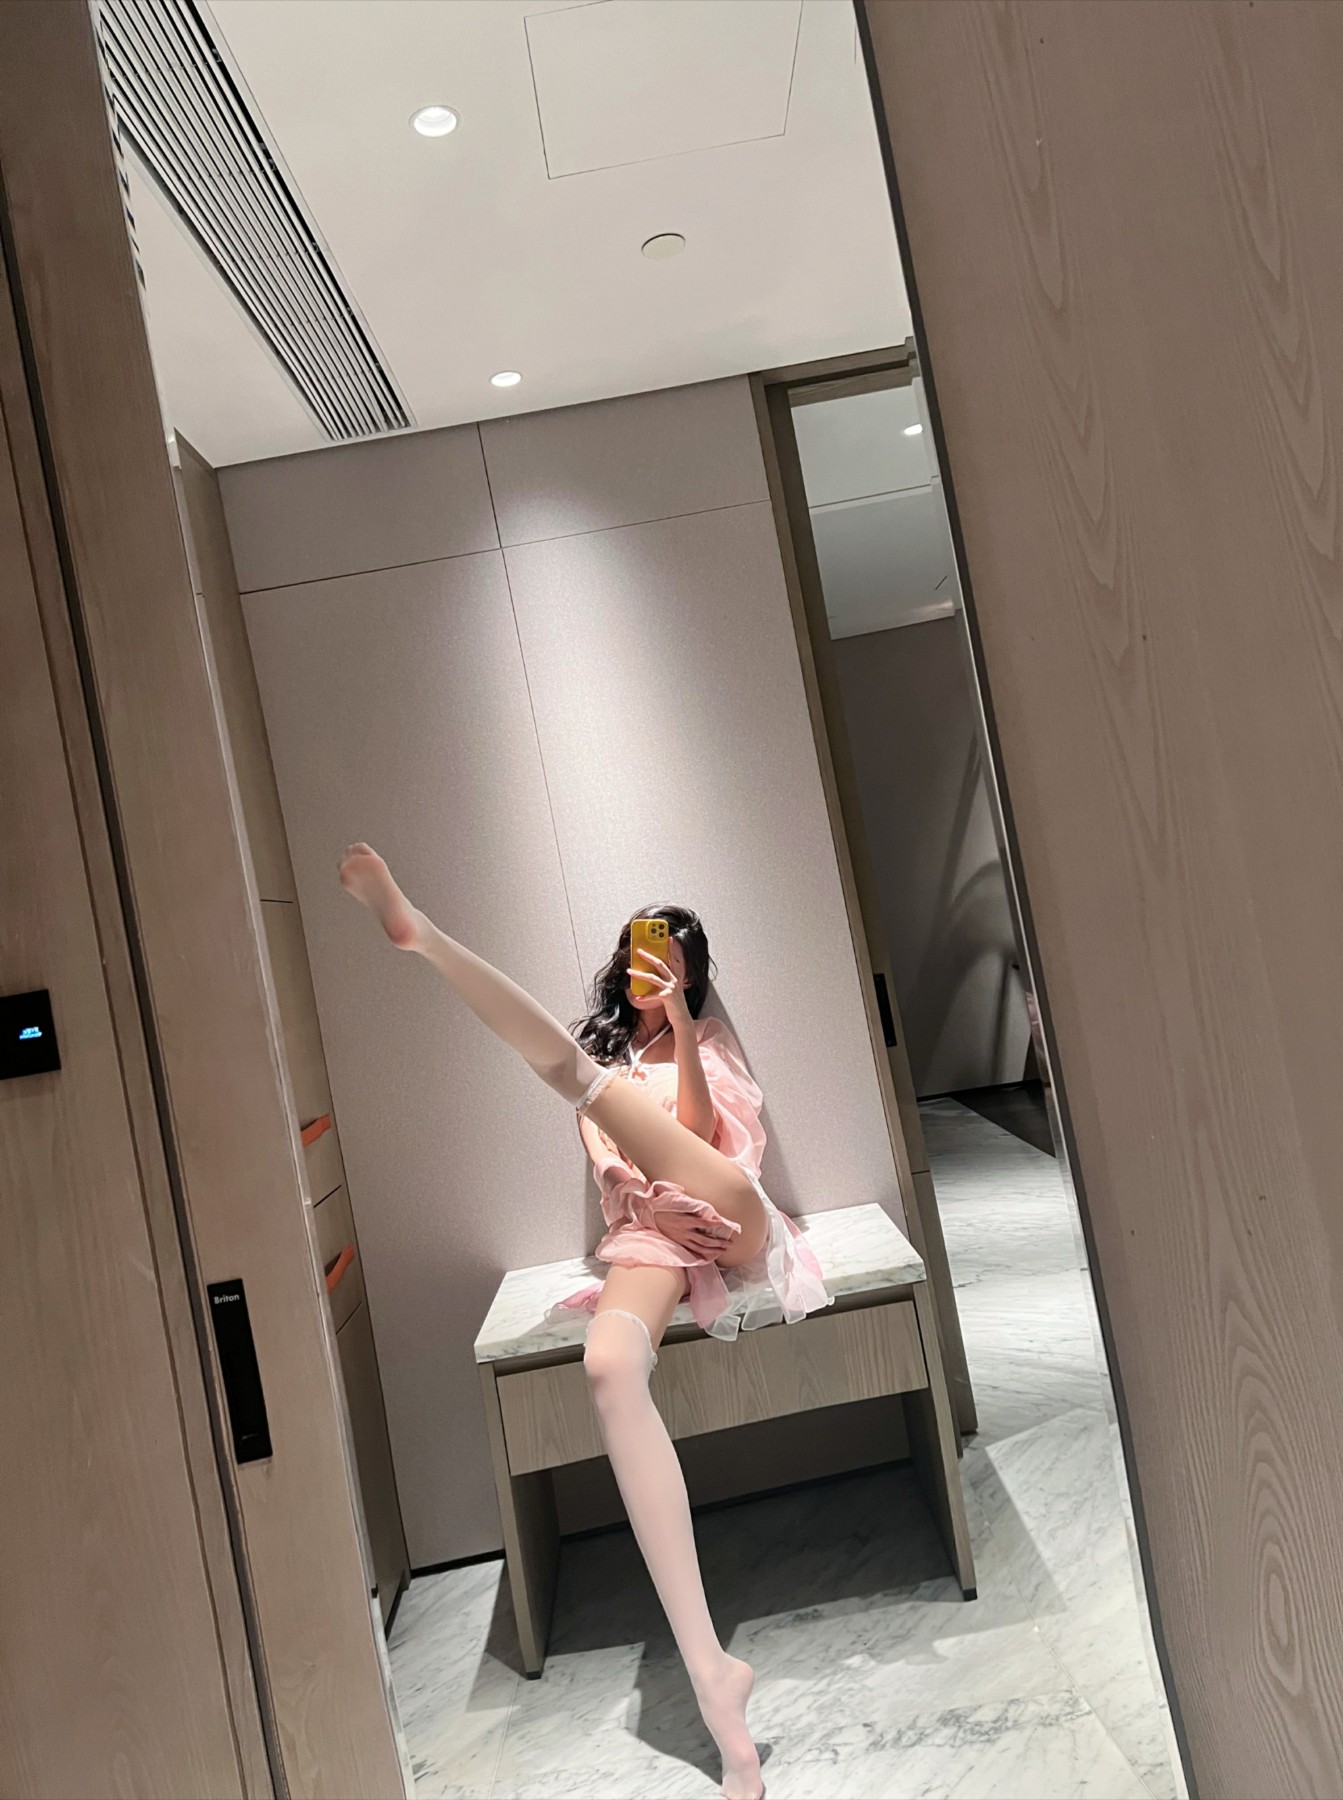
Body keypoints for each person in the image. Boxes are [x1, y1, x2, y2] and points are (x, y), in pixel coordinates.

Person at [338, 844, 829, 1800]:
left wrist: (681, 1027)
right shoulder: (607, 1057)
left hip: (730, 1216)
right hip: (651, 1230)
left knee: (581, 1080)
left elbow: (705, 1139)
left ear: (690, 972)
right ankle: (711, 1674)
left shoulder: (709, 1042)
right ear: (622, 959)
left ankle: (425, 935)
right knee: (606, 1368)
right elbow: (607, 1162)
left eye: (673, 960)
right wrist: (643, 1202)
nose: (655, 971)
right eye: (646, 956)